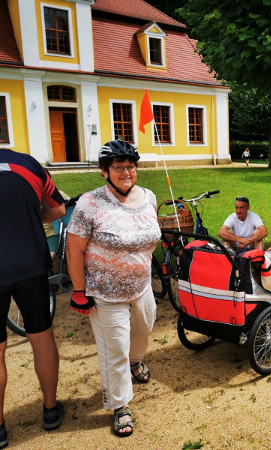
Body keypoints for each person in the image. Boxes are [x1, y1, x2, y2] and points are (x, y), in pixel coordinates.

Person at [66, 140, 161, 437]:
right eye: (118, 167)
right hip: (105, 292)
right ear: (104, 171)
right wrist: (79, 291)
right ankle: (120, 405)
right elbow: (74, 249)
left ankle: (136, 362)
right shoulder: (90, 203)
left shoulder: (148, 197)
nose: (126, 172)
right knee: (114, 349)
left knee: (144, 330)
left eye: (130, 166)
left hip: (142, 286)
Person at [0, 148, 66, 447]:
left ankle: (0, 429)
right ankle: (50, 409)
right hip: (30, 264)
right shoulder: (26, 163)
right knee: (42, 338)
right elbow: (58, 209)